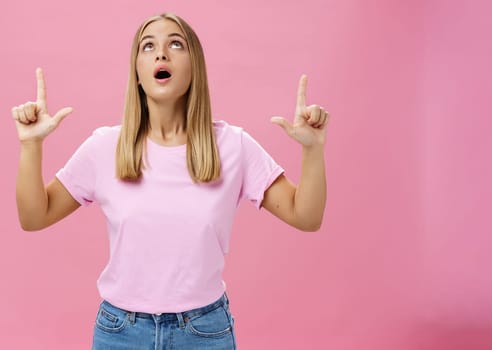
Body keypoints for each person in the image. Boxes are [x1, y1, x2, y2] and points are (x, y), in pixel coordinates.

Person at [12, 12, 328, 349]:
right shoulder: (105, 147)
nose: (161, 53)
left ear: (195, 67)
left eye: (175, 44)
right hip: (120, 333)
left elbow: (305, 216)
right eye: (148, 46)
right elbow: (34, 216)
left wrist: (313, 149)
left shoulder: (233, 146)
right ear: (137, 73)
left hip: (205, 332)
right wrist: (31, 146)